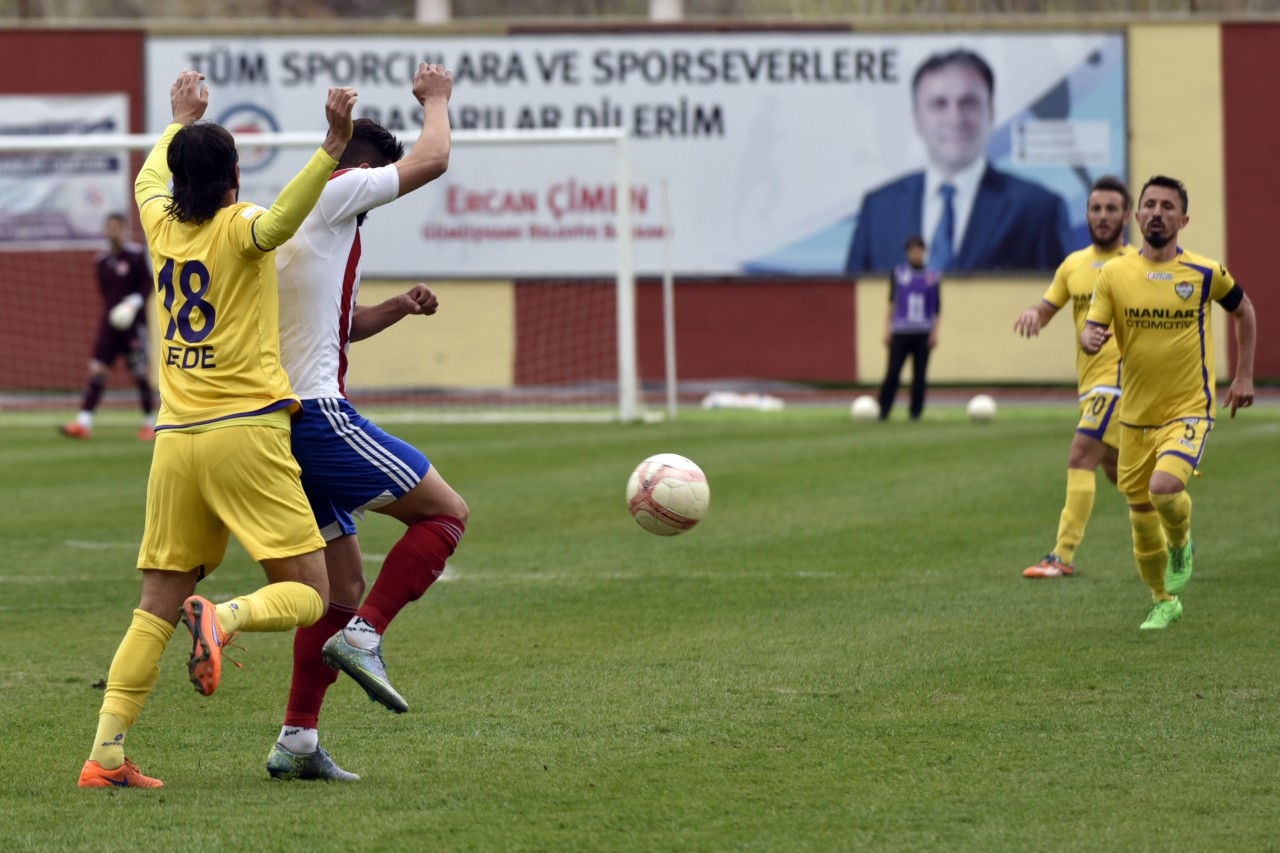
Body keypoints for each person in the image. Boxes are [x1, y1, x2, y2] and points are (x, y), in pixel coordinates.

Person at [77, 70, 359, 789]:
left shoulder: (160, 227)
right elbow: (284, 219)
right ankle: (223, 616)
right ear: (236, 174)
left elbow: (148, 175)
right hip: (245, 430)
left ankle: (105, 753)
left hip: (174, 440)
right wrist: (331, 147)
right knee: (311, 591)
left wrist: (177, 117)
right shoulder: (241, 227)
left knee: (153, 607)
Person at [264, 63, 465, 782]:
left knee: (340, 583)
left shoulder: (289, 216)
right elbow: (433, 158)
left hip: (274, 420)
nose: (377, 200)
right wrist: (436, 100)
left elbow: (335, 321)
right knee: (446, 513)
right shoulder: (339, 189)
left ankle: (297, 740)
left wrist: (396, 310)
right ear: (361, 169)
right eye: (378, 185)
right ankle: (367, 637)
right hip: (318, 417)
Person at [1081, 175, 1256, 631]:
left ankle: (1180, 541)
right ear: (1136, 216)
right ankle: (1163, 600)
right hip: (1135, 416)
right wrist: (1089, 335)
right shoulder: (1114, 275)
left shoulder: (1204, 272)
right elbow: (1091, 330)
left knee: (1163, 488)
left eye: (1167, 206)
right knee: (1139, 518)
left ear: (1183, 219)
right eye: (1149, 205)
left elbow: (1244, 311)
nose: (1157, 212)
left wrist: (1243, 374)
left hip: (1189, 409)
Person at [845, 48, 1071, 274]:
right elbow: (849, 304)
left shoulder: (1039, 210)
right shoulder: (878, 209)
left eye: (969, 103)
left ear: (991, 113)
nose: (955, 118)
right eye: (939, 104)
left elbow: (1063, 304)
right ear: (916, 117)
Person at [1015, 175, 1132, 578]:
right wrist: (1034, 313)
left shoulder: (1135, 265)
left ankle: (1061, 555)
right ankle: (1176, 533)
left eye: (1111, 209)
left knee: (1081, 454)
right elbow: (1048, 308)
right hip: (1090, 382)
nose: (1102, 216)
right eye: (1096, 209)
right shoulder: (1073, 264)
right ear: (1086, 214)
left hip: (1119, 381)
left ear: (1125, 216)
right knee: (1122, 473)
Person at [60, 212, 157, 441]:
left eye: (117, 227)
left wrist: (134, 303)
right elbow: (104, 292)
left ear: (124, 229)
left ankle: (150, 423)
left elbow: (148, 284)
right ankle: (83, 423)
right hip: (110, 327)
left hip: (133, 327)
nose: (113, 231)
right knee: (97, 371)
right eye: (109, 227)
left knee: (141, 374)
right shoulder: (101, 260)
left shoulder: (135, 255)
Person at [877, 235, 939, 421]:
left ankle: (915, 412)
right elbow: (892, 303)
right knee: (893, 371)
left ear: (924, 251)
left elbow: (937, 307)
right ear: (907, 253)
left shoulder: (932, 276)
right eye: (912, 250)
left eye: (919, 250)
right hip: (901, 330)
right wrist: (887, 329)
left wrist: (935, 332)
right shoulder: (899, 274)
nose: (915, 254)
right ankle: (883, 410)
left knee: (919, 375)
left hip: (922, 331)